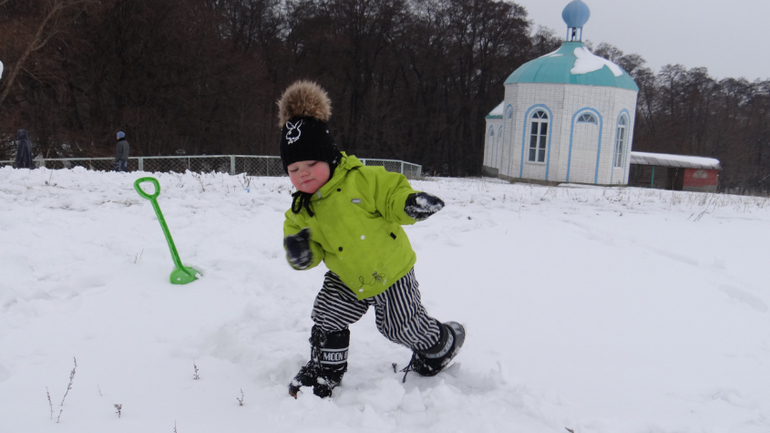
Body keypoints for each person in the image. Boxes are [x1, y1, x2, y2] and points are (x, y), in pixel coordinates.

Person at [278, 80, 465, 399]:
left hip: (390, 272)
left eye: (311, 163)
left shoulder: (360, 180)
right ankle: (326, 370)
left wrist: (409, 203)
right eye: (294, 168)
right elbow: (305, 247)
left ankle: (442, 343)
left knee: (399, 327)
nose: (303, 174)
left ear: (329, 156)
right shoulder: (301, 210)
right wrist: (300, 252)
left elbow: (392, 192)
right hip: (347, 276)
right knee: (327, 314)